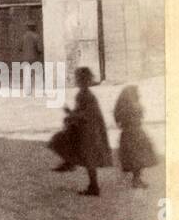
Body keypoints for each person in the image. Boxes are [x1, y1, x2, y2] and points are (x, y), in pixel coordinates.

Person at [65, 67, 113, 196]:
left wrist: (71, 115)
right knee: (89, 158)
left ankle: (94, 186)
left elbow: (84, 114)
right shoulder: (86, 94)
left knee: (89, 158)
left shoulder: (84, 95)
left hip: (88, 131)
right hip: (91, 129)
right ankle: (93, 185)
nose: (78, 81)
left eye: (79, 79)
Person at [113, 85, 158, 189]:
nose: (139, 94)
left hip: (132, 133)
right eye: (136, 93)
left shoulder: (125, 107)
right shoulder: (132, 106)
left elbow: (119, 120)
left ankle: (136, 179)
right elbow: (138, 116)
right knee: (137, 158)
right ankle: (136, 180)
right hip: (134, 134)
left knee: (135, 158)